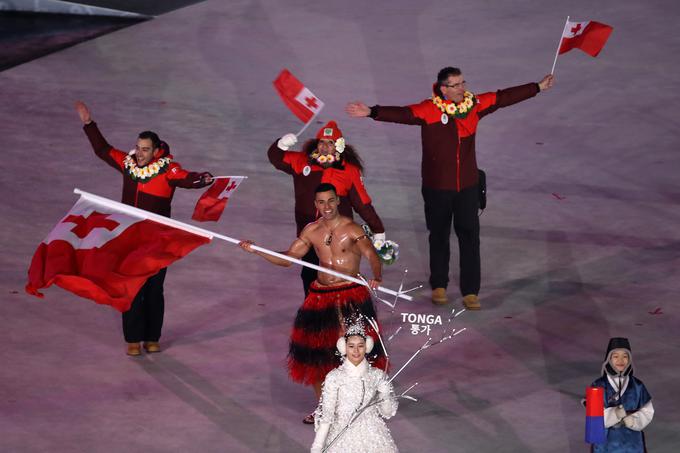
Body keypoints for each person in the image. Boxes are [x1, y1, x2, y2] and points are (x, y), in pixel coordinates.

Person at [346, 67, 555, 309]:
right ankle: (439, 286)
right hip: (436, 188)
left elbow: (503, 97)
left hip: (467, 187)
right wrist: (372, 112)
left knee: (470, 237)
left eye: (463, 83)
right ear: (443, 89)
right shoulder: (429, 109)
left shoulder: (474, 105)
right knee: (439, 236)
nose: (462, 88)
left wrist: (537, 87)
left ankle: (470, 292)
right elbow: (403, 114)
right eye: (455, 85)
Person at [75, 101, 213, 356]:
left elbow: (188, 178)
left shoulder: (167, 170)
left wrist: (204, 178)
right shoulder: (128, 165)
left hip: (157, 241)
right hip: (130, 238)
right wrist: (88, 124)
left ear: (156, 151)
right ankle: (132, 339)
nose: (139, 153)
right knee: (131, 285)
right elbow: (103, 150)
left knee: (154, 287)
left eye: (145, 149)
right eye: (138, 148)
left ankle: (152, 337)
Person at [240, 183, 387, 423]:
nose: (326, 207)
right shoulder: (311, 230)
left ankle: (358, 405)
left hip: (349, 295)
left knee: (354, 353)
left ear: (338, 201)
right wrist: (256, 250)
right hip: (320, 297)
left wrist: (377, 276)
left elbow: (371, 255)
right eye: (321, 202)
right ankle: (324, 408)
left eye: (330, 201)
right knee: (316, 355)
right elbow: (287, 260)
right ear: (315, 204)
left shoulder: (353, 229)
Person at [269, 120, 386, 296]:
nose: (324, 147)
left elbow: (362, 203)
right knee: (309, 273)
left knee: (340, 278)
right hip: (309, 232)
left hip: (340, 235)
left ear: (338, 146)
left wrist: (378, 229)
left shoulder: (349, 171)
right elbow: (276, 159)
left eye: (330, 143)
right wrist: (281, 144)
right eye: (322, 142)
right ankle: (313, 313)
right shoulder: (302, 162)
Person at [311, 321, 398, 453]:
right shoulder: (334, 378)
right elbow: (327, 417)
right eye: (351, 346)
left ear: (366, 347)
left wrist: (385, 394)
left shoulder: (377, 375)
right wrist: (317, 447)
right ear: (344, 348)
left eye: (360, 346)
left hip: (374, 437)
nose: (356, 351)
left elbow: (387, 413)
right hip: (342, 438)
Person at [589, 337, 654, 452]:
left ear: (629, 359)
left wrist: (635, 420)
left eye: (625, 356)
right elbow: (593, 422)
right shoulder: (597, 385)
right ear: (609, 359)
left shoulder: (637, 385)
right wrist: (614, 414)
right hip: (606, 445)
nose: (620, 360)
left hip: (632, 444)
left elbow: (648, 411)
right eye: (615, 356)